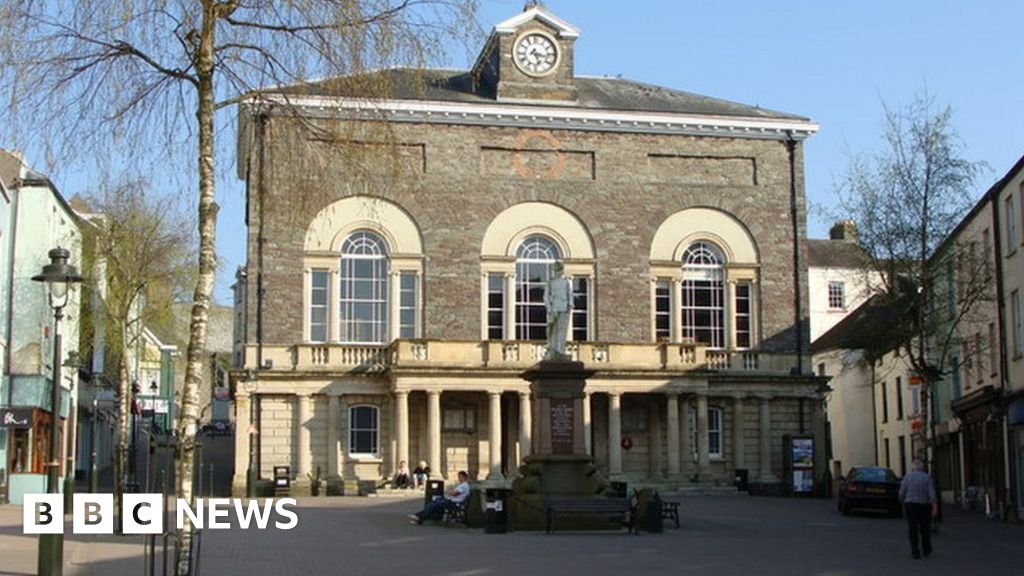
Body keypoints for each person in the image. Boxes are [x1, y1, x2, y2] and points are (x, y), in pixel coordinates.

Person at [899, 458, 938, 559]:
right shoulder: (927, 478)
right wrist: (934, 506)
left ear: (913, 467)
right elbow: (931, 494)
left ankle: (915, 551)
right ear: (923, 467)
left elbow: (902, 492)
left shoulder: (908, 477)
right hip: (924, 505)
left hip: (911, 504)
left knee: (913, 528)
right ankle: (926, 549)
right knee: (925, 528)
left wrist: (902, 501)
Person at [544, 261, 573, 360]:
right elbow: (546, 296)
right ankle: (552, 347)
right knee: (552, 329)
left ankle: (560, 350)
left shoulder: (566, 282)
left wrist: (570, 305)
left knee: (562, 330)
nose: (559, 272)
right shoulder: (550, 282)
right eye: (558, 270)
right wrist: (549, 308)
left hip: (564, 307)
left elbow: (569, 294)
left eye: (560, 270)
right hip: (554, 308)